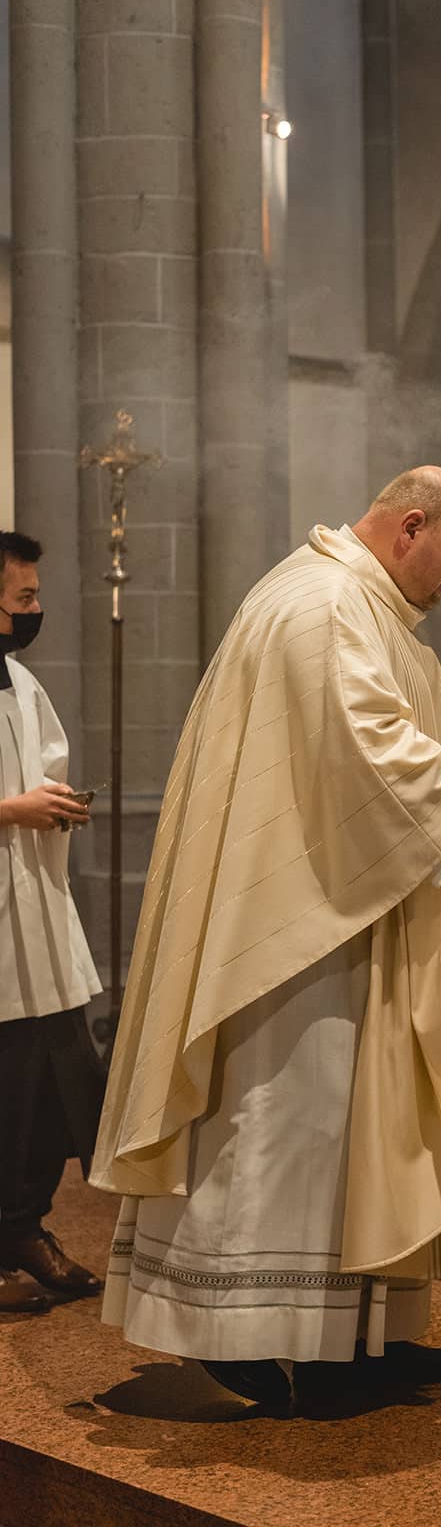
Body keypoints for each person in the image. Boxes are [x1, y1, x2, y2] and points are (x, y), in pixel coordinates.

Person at [91, 468, 441, 1411]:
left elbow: (378, 730)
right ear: (410, 528)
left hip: (340, 910)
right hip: (296, 935)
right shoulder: (326, 602)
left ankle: (356, 1336)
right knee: (285, 1122)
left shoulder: (355, 600)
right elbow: (365, 753)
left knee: (354, 1131)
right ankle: (248, 1335)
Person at [0, 531, 105, 1312]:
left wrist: (57, 807)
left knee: (54, 1083)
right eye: (24, 599)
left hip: (35, 915)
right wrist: (13, 808)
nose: (36, 611)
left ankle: (24, 1226)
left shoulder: (20, 682)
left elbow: (49, 769)